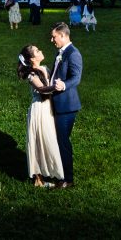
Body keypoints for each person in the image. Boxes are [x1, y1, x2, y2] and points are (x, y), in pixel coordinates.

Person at [17, 45, 64, 187]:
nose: (41, 51)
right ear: (32, 58)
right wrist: (57, 87)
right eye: (37, 51)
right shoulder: (32, 75)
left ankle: (51, 173)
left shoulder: (45, 68)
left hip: (49, 108)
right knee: (42, 142)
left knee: (50, 141)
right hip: (40, 110)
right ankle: (38, 179)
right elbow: (42, 89)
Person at [49, 22, 82, 188]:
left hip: (67, 106)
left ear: (63, 35)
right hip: (58, 103)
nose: (51, 39)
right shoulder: (60, 52)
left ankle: (67, 179)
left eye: (54, 36)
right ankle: (59, 173)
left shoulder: (73, 53)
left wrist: (64, 85)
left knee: (63, 141)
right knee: (59, 140)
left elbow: (76, 77)